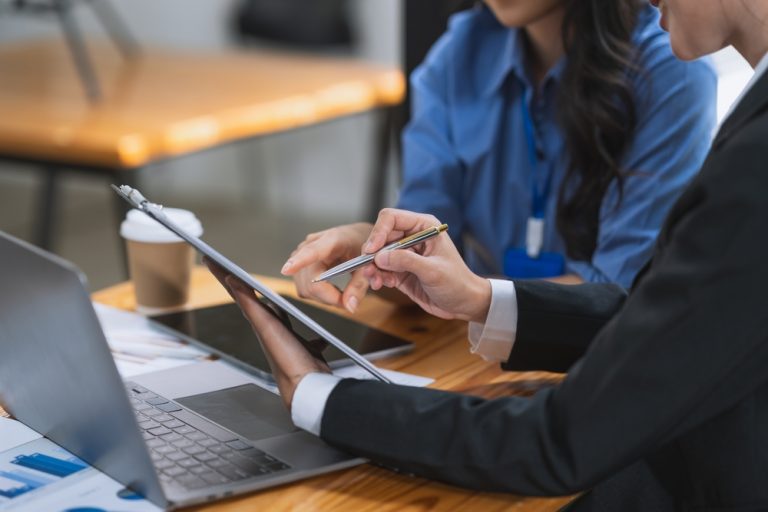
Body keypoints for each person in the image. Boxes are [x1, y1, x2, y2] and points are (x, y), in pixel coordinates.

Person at [207, 0, 768, 508]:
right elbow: (668, 322)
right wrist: (480, 297)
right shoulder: (751, 132)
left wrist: (319, 396)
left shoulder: (749, 159)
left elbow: (564, 439)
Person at [280, 0, 717, 315]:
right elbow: (426, 234)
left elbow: (619, 295)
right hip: (477, 347)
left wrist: (471, 293)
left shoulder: (671, 69)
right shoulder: (459, 53)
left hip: (600, 372)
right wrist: (371, 247)